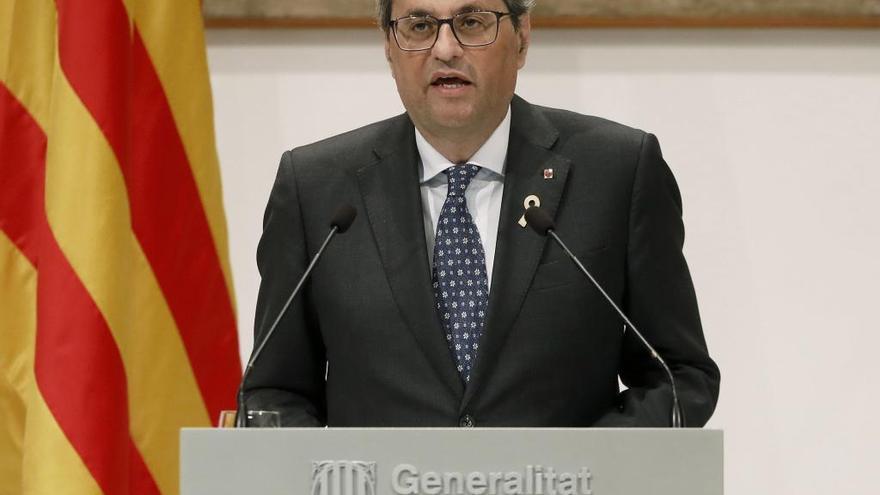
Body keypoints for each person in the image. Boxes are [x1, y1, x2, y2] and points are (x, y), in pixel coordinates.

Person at [244, 0, 720, 427]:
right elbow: (274, 392)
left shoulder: (618, 171)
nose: (445, 48)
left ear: (523, 38)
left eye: (472, 23)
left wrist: (589, 469)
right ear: (389, 46)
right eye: (419, 25)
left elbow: (678, 376)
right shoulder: (316, 187)